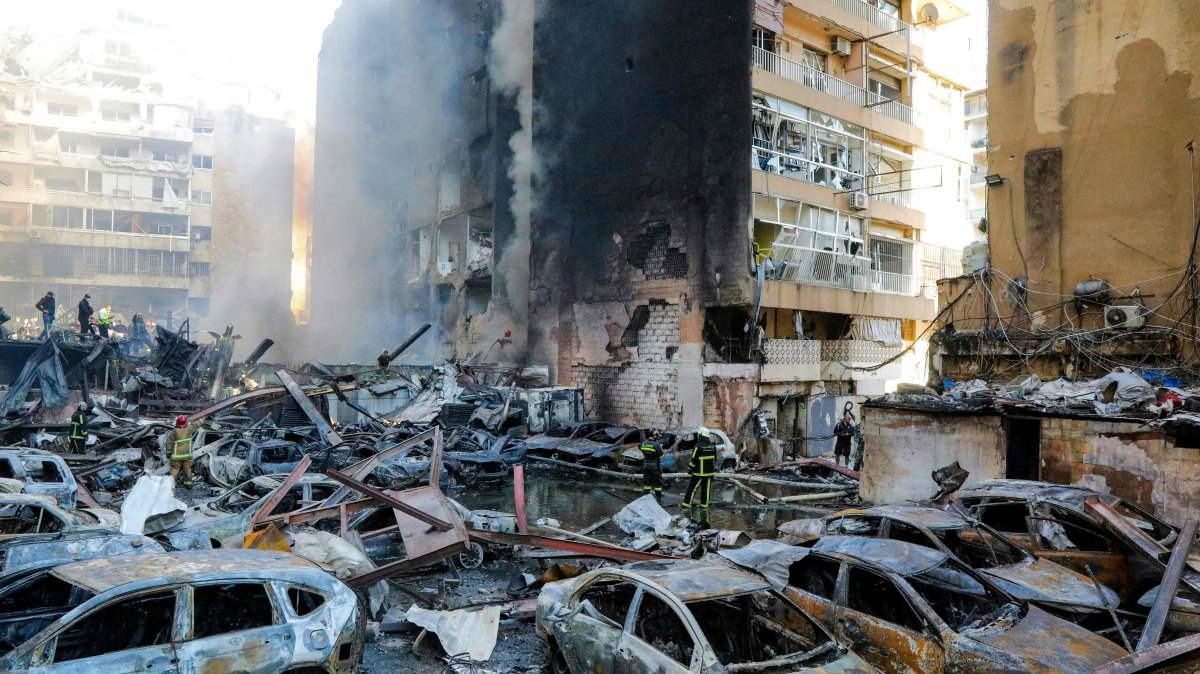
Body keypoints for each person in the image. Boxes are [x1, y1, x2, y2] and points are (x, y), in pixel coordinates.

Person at [683, 427, 718, 526]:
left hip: (698, 473)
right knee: (706, 490)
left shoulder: (697, 446)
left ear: (701, 436)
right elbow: (715, 459)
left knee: (692, 489)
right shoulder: (712, 446)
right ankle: (704, 506)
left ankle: (686, 505)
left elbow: (693, 460)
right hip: (709, 473)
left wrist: (689, 469)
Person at [165, 415, 196, 488]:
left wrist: (168, 454)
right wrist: (203, 417)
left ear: (177, 423)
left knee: (175, 471)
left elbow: (169, 443)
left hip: (176, 457)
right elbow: (197, 423)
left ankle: (172, 486)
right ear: (186, 423)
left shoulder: (174, 431)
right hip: (187, 456)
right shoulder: (190, 429)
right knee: (188, 470)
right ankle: (188, 485)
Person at [639, 430, 665, 503]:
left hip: (645, 465)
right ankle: (659, 501)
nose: (656, 437)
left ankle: (645, 500)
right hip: (655, 467)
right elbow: (662, 456)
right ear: (653, 435)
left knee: (647, 483)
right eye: (656, 435)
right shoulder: (656, 445)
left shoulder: (643, 444)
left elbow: (641, 449)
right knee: (658, 484)